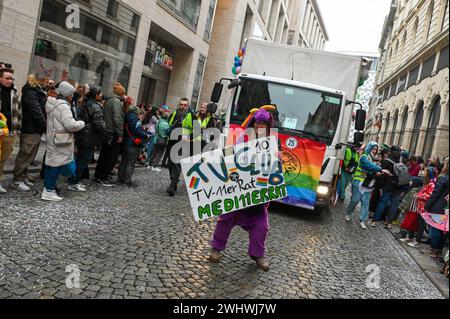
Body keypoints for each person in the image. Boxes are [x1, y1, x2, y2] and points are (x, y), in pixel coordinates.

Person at [209, 106, 277, 271]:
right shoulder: (244, 138)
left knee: (261, 227)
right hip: (238, 189)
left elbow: (275, 169)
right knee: (225, 219)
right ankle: (216, 248)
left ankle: (257, 255)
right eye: (258, 123)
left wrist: (277, 159)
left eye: (263, 124)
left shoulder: (273, 142)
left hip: (257, 195)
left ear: (268, 126)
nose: (260, 126)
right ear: (254, 123)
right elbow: (231, 156)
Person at [42, 81, 85, 201]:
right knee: (57, 165)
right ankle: (48, 191)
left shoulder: (52, 104)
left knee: (50, 164)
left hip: (53, 138)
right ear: (67, 94)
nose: (72, 96)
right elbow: (70, 125)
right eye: (71, 94)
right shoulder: (64, 106)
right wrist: (81, 123)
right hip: (61, 141)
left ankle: (47, 188)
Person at [10, 74, 48, 191]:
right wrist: (45, 126)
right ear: (41, 81)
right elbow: (36, 111)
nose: (48, 83)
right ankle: (17, 179)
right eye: (46, 81)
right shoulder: (31, 91)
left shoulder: (36, 91)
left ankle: (22, 176)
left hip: (35, 128)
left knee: (30, 154)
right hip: (31, 128)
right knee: (25, 154)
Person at [67, 85, 105, 192]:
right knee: (83, 161)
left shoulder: (84, 102)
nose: (101, 95)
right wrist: (105, 129)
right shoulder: (95, 106)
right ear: (96, 95)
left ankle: (74, 180)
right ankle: (73, 182)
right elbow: (99, 124)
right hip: (89, 137)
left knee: (80, 159)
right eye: (100, 93)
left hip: (82, 135)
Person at [346, 142, 389, 229]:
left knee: (365, 202)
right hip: (358, 182)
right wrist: (380, 169)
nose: (374, 151)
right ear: (369, 148)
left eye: (376, 150)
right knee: (355, 200)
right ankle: (349, 213)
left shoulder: (375, 160)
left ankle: (362, 220)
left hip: (369, 184)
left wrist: (378, 173)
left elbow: (373, 170)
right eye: (373, 149)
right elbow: (369, 165)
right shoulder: (363, 157)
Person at [94, 82, 126, 187]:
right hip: (112, 132)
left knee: (104, 155)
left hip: (107, 131)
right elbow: (117, 118)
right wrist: (120, 134)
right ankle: (102, 177)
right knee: (111, 157)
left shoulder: (109, 100)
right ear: (121, 94)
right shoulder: (116, 102)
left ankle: (98, 175)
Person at [371, 146, 410, 228]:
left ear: (391, 151)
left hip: (389, 185)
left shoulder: (386, 161)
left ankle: (374, 221)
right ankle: (389, 223)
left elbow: (381, 175)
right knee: (394, 204)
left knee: (382, 202)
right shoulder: (402, 161)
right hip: (399, 186)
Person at [421, 159, 449, 258]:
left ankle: (433, 250)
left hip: (438, 206)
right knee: (443, 230)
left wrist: (427, 206)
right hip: (446, 207)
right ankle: (439, 251)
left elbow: (435, 194)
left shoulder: (443, 178)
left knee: (436, 228)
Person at [406, 167, 438, 248]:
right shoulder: (428, 182)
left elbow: (429, 196)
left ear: (429, 173)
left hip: (424, 207)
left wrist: (419, 195)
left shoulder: (432, 184)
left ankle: (417, 242)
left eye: (425, 171)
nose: (424, 172)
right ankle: (412, 238)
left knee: (421, 225)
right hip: (420, 206)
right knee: (417, 223)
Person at [0, 68, 21, 194]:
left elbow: (19, 112)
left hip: (9, 131)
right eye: (7, 78)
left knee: (2, 158)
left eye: (11, 78)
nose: (10, 81)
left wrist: (17, 129)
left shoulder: (15, 91)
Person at [117, 106, 149, 187]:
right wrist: (146, 135)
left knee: (123, 161)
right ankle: (127, 180)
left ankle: (120, 178)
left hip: (124, 143)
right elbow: (139, 132)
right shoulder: (136, 121)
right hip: (133, 144)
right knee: (130, 163)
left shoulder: (125, 118)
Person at [166, 97, 192, 197]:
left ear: (188, 106)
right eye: (181, 104)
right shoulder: (174, 114)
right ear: (178, 105)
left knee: (176, 164)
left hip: (183, 143)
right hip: (171, 142)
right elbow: (169, 125)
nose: (183, 107)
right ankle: (174, 182)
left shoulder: (191, 116)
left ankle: (172, 185)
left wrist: (188, 135)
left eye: (185, 105)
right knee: (170, 164)